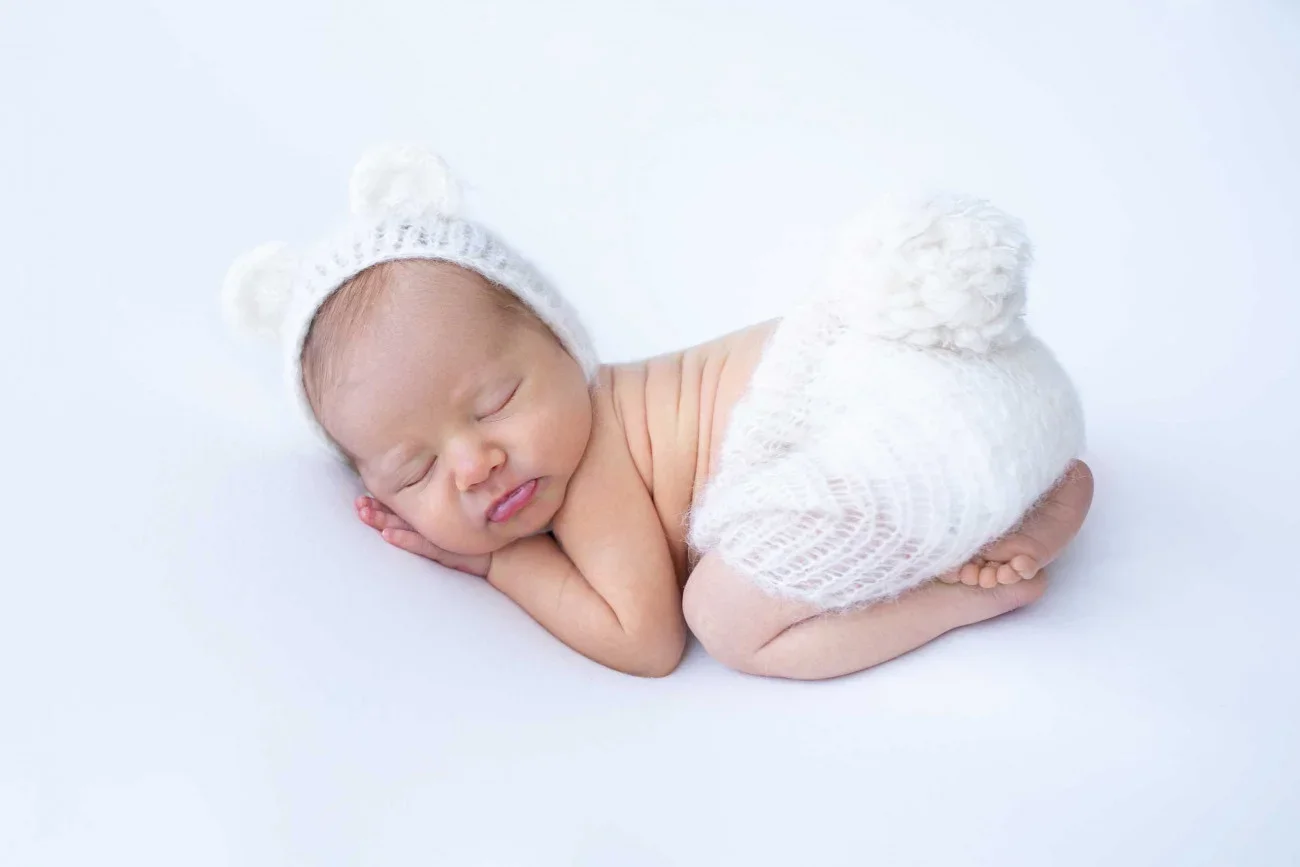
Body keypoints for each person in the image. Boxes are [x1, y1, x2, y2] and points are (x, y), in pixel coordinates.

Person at [222, 144, 1093, 680]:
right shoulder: (599, 417)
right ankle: (1042, 494)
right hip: (1013, 392)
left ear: (569, 348)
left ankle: (961, 595)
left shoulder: (594, 459)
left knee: (729, 621)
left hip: (907, 429)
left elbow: (646, 640)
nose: (475, 462)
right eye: (416, 469)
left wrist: (500, 568)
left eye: (497, 403)